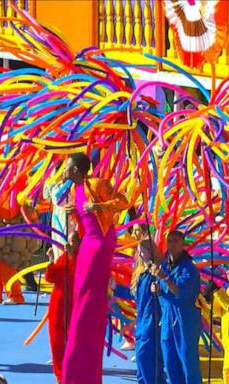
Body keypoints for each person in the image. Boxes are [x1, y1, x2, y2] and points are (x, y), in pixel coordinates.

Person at [61, 153, 130, 384]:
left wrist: (97, 205)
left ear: (78, 170)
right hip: (86, 243)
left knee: (90, 299)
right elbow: (78, 218)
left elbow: (123, 201)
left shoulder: (97, 184)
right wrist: (72, 235)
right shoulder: (74, 190)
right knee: (80, 297)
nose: (65, 170)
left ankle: (86, 335)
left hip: (100, 243)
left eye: (68, 167)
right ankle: (77, 356)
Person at [150, 230, 202, 384]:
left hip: (184, 321)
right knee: (170, 361)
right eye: (170, 240)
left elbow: (180, 292)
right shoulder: (165, 265)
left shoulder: (189, 268)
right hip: (167, 319)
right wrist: (157, 290)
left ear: (183, 244)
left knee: (188, 362)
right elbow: (164, 293)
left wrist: (163, 278)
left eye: (176, 241)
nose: (172, 244)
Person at [45, 232, 79, 384]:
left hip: (74, 306)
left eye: (72, 242)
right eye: (68, 241)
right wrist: (51, 261)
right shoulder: (64, 257)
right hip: (57, 305)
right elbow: (50, 277)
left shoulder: (82, 259)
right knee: (56, 342)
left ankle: (72, 373)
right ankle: (59, 375)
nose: (68, 244)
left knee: (73, 342)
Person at [131, 239, 165, 384]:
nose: (139, 253)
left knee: (148, 359)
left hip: (152, 322)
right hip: (141, 322)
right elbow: (135, 296)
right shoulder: (141, 274)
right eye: (139, 250)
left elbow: (166, 292)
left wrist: (159, 288)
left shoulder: (157, 271)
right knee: (141, 362)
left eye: (143, 250)